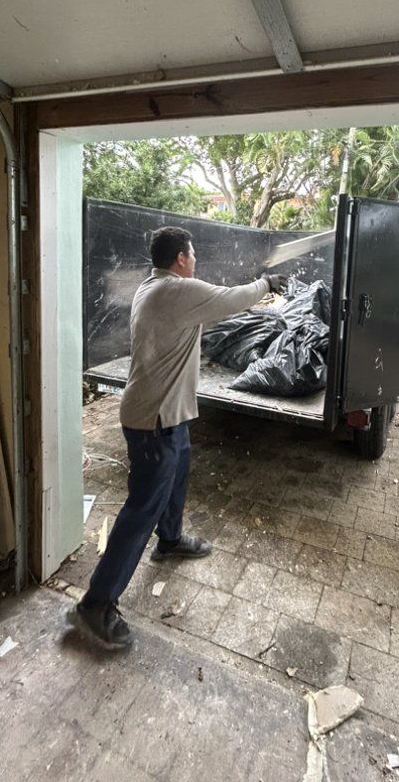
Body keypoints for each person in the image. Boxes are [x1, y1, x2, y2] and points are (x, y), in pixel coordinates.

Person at [69, 225, 287, 648]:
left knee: (178, 475)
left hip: (169, 415)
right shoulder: (175, 291)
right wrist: (267, 283)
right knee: (140, 510)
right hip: (154, 421)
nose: (196, 260)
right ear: (182, 259)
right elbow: (230, 299)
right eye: (193, 254)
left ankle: (168, 540)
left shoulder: (154, 287)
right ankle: (95, 605)